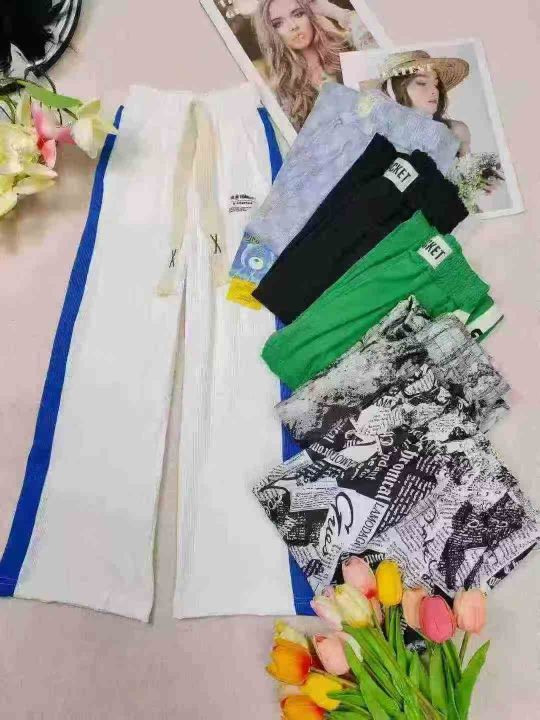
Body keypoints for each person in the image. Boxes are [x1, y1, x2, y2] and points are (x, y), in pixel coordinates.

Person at [253, 0, 377, 130]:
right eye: (278, 24)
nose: (293, 26)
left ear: (310, 14)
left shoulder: (348, 48)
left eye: (298, 14)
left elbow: (384, 45)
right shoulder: (284, 92)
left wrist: (333, 11)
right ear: (271, 33)